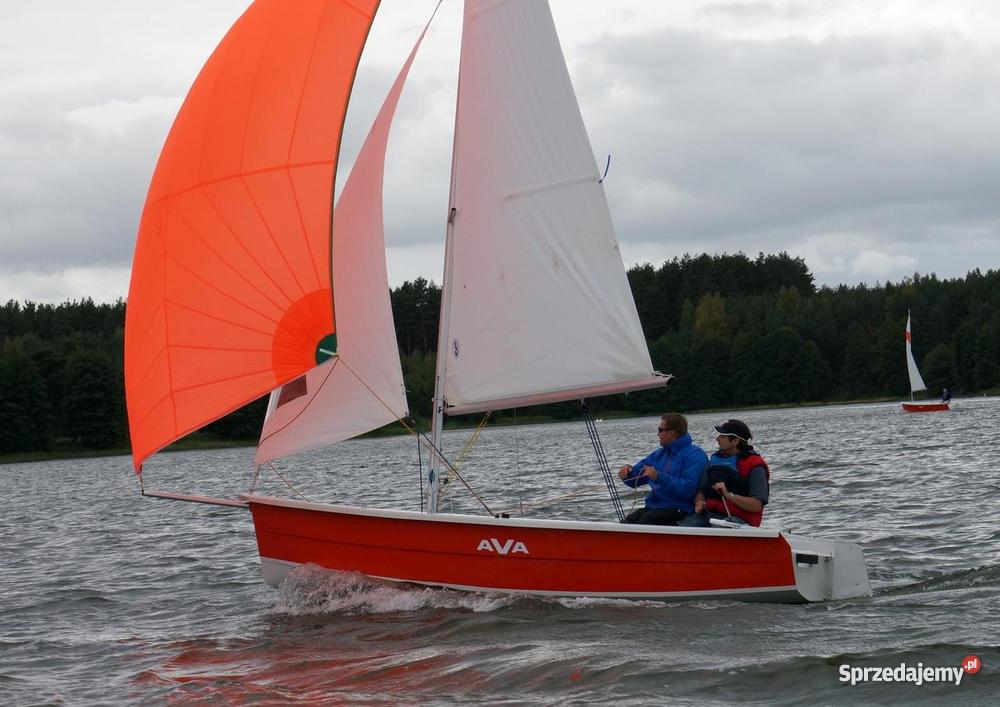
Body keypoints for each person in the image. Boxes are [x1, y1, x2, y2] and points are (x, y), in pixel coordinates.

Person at [617, 413, 708, 525]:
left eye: (660, 430)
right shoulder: (659, 454)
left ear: (671, 433)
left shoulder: (695, 455)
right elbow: (635, 479)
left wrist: (659, 477)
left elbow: (689, 490)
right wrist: (627, 473)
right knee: (626, 524)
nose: (658, 434)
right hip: (655, 507)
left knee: (647, 521)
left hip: (680, 509)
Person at [681, 419, 770, 528]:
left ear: (735, 440)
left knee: (717, 529)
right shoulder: (714, 461)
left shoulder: (756, 466)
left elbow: (756, 505)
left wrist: (729, 495)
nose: (717, 439)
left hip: (740, 519)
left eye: (722, 436)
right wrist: (699, 501)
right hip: (710, 514)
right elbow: (701, 491)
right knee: (685, 527)